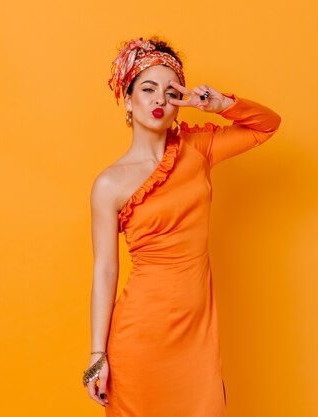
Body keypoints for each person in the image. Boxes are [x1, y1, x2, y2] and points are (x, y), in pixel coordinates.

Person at [84, 36, 282, 417]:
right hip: (139, 335)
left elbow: (266, 127)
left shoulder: (198, 150)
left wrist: (220, 105)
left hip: (196, 337)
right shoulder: (108, 185)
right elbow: (106, 270)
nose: (159, 99)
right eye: (147, 88)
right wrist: (97, 354)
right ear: (127, 100)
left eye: (169, 90)